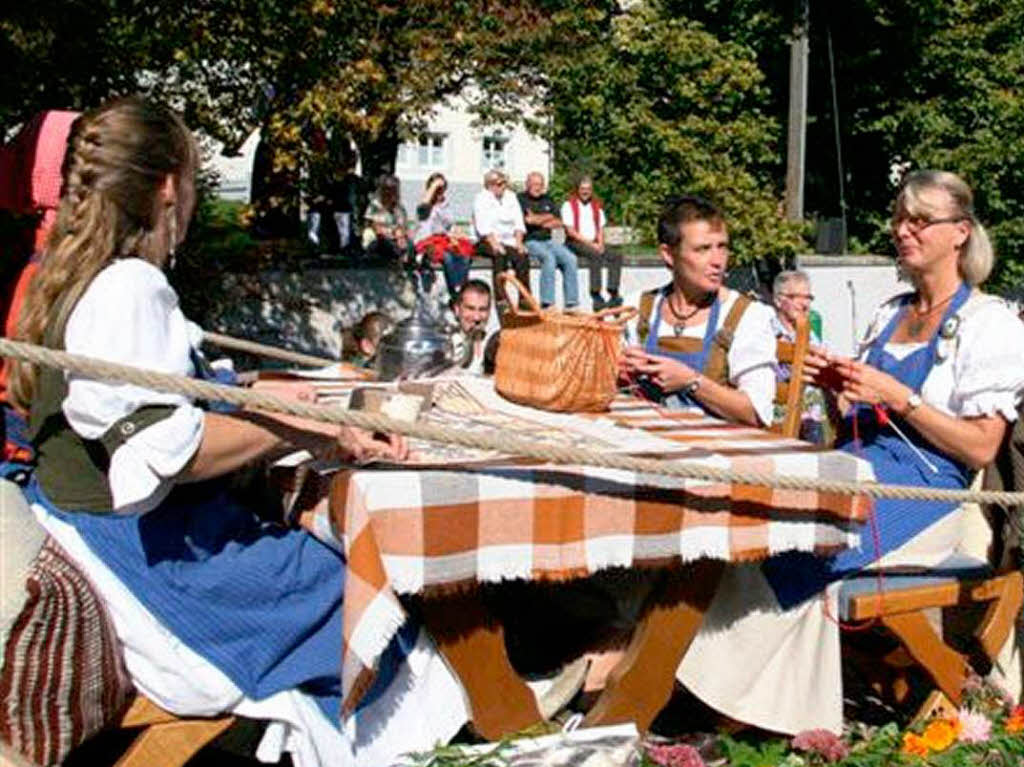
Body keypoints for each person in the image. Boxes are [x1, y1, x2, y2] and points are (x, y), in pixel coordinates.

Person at [7, 97, 469, 767]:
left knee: (326, 553)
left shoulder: (70, 275)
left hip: (103, 534)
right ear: (169, 185)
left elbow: (172, 395)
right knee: (363, 591)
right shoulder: (130, 286)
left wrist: (294, 413)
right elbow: (167, 448)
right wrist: (291, 423)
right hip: (153, 571)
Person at [676, 170, 1024, 736]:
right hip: (857, 470)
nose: (903, 230)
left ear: (959, 232)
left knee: (798, 548)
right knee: (753, 526)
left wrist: (897, 395)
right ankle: (753, 708)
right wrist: (842, 390)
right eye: (899, 218)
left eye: (920, 220)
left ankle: (713, 711)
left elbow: (981, 446)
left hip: (927, 495)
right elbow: (854, 425)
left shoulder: (989, 324)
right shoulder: (889, 313)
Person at [621, 196, 776, 428]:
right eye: (703, 249)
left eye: (722, 247)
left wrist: (691, 381)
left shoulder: (747, 317)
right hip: (646, 444)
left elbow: (756, 413)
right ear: (668, 255)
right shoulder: (638, 309)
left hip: (715, 454)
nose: (718, 261)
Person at [771, 269, 827, 443]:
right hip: (777, 419)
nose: (805, 304)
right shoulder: (766, 333)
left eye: (808, 297)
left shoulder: (810, 334)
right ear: (779, 300)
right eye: (797, 297)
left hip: (811, 421)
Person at [518, 172, 579, 310]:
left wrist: (537, 219)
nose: (537, 187)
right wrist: (547, 217)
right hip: (530, 240)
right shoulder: (520, 199)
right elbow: (526, 221)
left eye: (540, 184)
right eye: (534, 184)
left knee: (571, 259)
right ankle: (547, 302)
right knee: (548, 258)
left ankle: (571, 303)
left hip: (548, 240)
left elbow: (558, 222)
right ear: (527, 184)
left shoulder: (548, 199)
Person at [561, 176, 623, 311]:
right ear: (577, 189)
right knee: (595, 255)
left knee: (616, 255)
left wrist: (600, 243)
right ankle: (596, 294)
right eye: (583, 189)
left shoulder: (596, 206)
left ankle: (613, 291)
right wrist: (592, 244)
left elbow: (600, 228)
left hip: (593, 242)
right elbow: (571, 231)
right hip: (575, 242)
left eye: (588, 189)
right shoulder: (568, 205)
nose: (585, 192)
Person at [472, 169, 528, 309]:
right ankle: (500, 297)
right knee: (499, 255)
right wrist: (495, 244)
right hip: (486, 240)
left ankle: (524, 297)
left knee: (522, 256)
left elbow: (518, 222)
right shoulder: (481, 199)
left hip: (508, 240)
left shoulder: (511, 197)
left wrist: (519, 243)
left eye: (504, 183)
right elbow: (482, 226)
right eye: (499, 184)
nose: (502, 186)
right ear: (489, 185)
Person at [413, 173, 474, 302]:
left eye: (442, 190)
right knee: (447, 257)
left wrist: (455, 235)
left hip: (443, 239)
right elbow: (424, 208)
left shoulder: (445, 205)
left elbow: (450, 225)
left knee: (464, 253)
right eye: (437, 190)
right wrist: (434, 186)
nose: (439, 193)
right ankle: (456, 290)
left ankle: (461, 287)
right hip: (427, 240)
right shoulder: (425, 202)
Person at [363, 173, 413, 264]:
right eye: (389, 191)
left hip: (395, 238)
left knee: (410, 245)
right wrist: (390, 234)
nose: (392, 194)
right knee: (387, 245)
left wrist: (401, 236)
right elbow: (374, 225)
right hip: (380, 239)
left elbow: (402, 225)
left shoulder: (399, 208)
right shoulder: (375, 205)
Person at [449, 279, 492, 375]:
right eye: (470, 308)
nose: (476, 317)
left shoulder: (495, 344)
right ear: (457, 310)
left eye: (482, 309)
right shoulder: (446, 345)